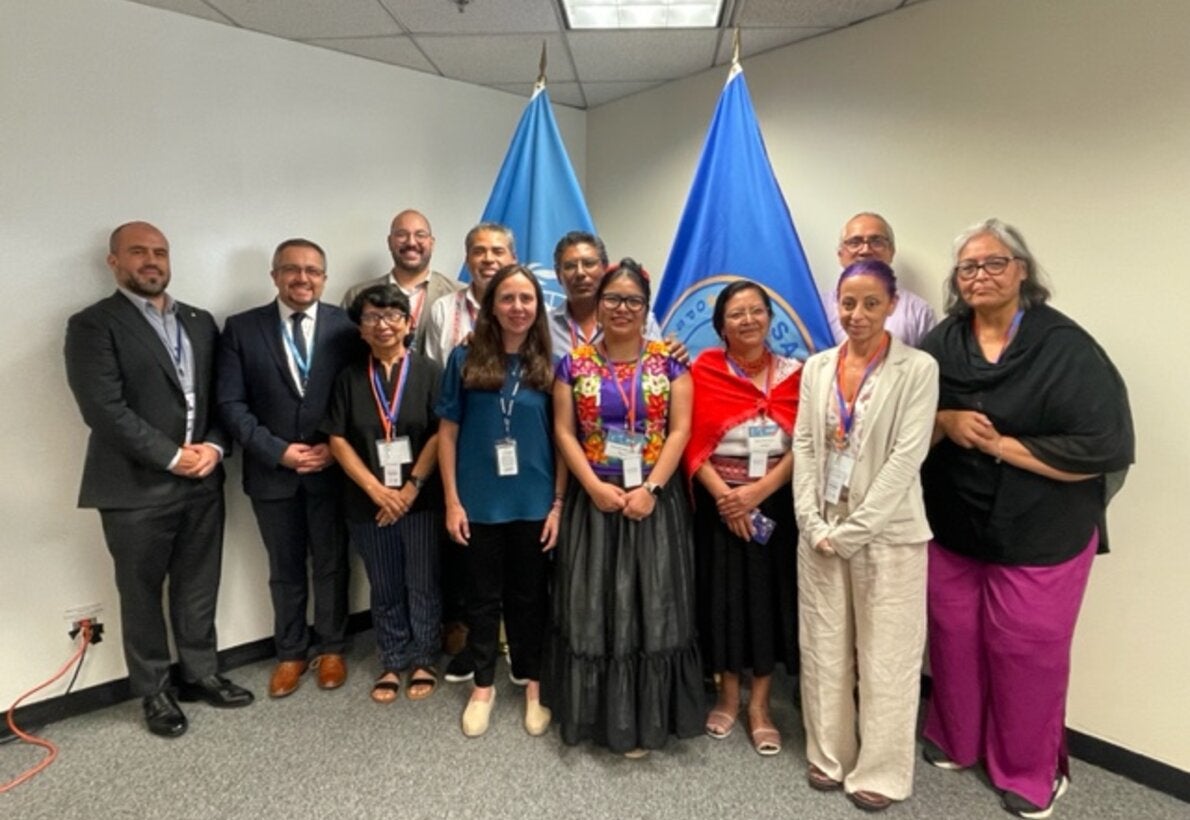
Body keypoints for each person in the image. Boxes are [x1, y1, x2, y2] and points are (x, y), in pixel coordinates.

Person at [919, 219, 1134, 819]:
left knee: (1027, 653)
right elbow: (909, 416)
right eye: (967, 267)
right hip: (956, 524)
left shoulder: (1065, 347)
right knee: (955, 638)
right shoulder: (944, 342)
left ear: (1022, 271)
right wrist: (947, 423)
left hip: (1043, 530)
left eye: (993, 263)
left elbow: (1101, 447)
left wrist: (996, 445)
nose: (980, 275)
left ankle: (1029, 769)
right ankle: (958, 738)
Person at [64, 222, 253, 738]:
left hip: (202, 479)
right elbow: (103, 409)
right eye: (139, 252)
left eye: (160, 252)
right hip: (133, 488)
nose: (152, 261)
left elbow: (220, 397)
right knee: (141, 592)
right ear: (114, 261)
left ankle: (200, 673)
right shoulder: (93, 325)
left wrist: (213, 447)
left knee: (198, 584)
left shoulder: (199, 321)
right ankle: (154, 691)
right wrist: (172, 457)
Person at [792, 259, 938, 811]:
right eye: (847, 303)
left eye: (870, 303)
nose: (857, 314)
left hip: (888, 534)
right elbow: (805, 446)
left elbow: (907, 457)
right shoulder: (818, 368)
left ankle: (881, 770)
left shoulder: (917, 369)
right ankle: (829, 753)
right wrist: (811, 520)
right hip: (821, 528)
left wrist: (855, 530)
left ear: (892, 305)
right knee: (824, 647)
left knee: (887, 655)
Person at [545, 258, 702, 756]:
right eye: (612, 298)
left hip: (654, 501)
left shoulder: (671, 361)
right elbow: (564, 433)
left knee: (651, 605)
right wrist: (591, 486)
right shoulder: (573, 364)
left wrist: (652, 489)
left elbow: (679, 430)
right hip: (595, 501)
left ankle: (646, 719)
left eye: (633, 300)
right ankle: (597, 719)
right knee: (594, 608)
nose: (621, 308)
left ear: (646, 307)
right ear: (599, 303)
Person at [217, 238, 360, 698]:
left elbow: (361, 396)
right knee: (285, 568)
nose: (303, 278)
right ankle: (291, 652)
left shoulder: (347, 326)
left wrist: (333, 449)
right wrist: (277, 450)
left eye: (313, 271)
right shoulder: (241, 329)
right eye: (292, 270)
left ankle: (333, 647)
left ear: (325, 277)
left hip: (332, 470)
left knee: (333, 563)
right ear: (275, 275)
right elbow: (230, 403)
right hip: (272, 473)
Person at [435, 265, 562, 737]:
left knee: (531, 598)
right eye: (507, 298)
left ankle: (533, 684)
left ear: (538, 306)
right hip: (479, 501)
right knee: (483, 599)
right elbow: (447, 434)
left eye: (526, 299)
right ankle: (483, 686)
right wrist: (451, 500)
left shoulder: (552, 363)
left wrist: (558, 505)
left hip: (534, 501)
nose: (517, 308)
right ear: (492, 306)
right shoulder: (464, 360)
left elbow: (565, 439)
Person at [683, 279, 801, 757]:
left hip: (774, 502)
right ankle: (729, 696)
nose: (748, 320)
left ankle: (761, 706)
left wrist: (757, 493)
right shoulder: (703, 370)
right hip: (718, 504)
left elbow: (806, 443)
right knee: (723, 599)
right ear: (721, 326)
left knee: (768, 602)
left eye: (757, 311)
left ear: (770, 318)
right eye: (736, 313)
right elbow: (688, 437)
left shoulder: (796, 374)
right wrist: (726, 498)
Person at [323, 286, 445, 704]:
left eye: (393, 315)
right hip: (368, 501)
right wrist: (377, 490)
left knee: (423, 582)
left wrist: (411, 488)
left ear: (409, 323)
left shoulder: (430, 372)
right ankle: (392, 658)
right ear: (361, 328)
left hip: (421, 499)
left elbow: (439, 434)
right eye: (373, 317)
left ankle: (426, 656)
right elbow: (337, 440)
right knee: (385, 583)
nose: (384, 324)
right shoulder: (349, 377)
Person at [341, 210, 461, 355]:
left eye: (420, 235)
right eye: (401, 235)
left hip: (439, 377)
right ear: (390, 242)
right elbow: (344, 349)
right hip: (374, 377)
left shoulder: (457, 294)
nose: (411, 242)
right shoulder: (357, 294)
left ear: (432, 243)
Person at [822, 213, 937, 347]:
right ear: (840, 254)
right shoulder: (819, 308)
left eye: (876, 242)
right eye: (855, 242)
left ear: (891, 251)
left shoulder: (919, 311)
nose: (865, 250)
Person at [548, 231, 666, 357]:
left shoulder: (639, 319)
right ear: (558, 275)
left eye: (589, 264)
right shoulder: (545, 326)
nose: (580, 273)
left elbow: (660, 369)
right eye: (570, 266)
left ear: (605, 269)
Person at [422, 222, 516, 367]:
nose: (488, 259)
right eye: (479, 251)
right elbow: (433, 375)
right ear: (467, 260)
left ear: (513, 259)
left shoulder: (535, 312)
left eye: (498, 251)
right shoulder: (443, 309)